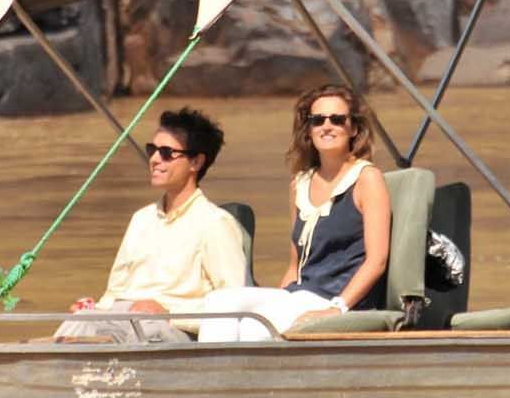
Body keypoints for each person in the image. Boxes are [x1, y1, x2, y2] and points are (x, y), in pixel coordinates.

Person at [198, 84, 390, 341]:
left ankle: (219, 377)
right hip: (299, 295)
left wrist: (337, 308)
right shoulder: (299, 184)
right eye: (318, 120)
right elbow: (294, 265)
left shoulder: (368, 178)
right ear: (309, 130)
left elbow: (377, 261)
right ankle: (211, 377)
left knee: (253, 331)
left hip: (337, 299)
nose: (327, 126)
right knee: (220, 301)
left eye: (337, 119)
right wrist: (277, 299)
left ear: (353, 128)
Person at [55, 107, 249, 342]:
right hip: (124, 318)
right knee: (76, 324)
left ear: (196, 162)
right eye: (152, 150)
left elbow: (235, 305)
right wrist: (93, 309)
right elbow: (113, 293)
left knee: (141, 331)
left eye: (167, 153)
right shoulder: (141, 219)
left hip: (169, 329)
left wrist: (170, 314)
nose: (155, 159)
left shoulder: (215, 223)